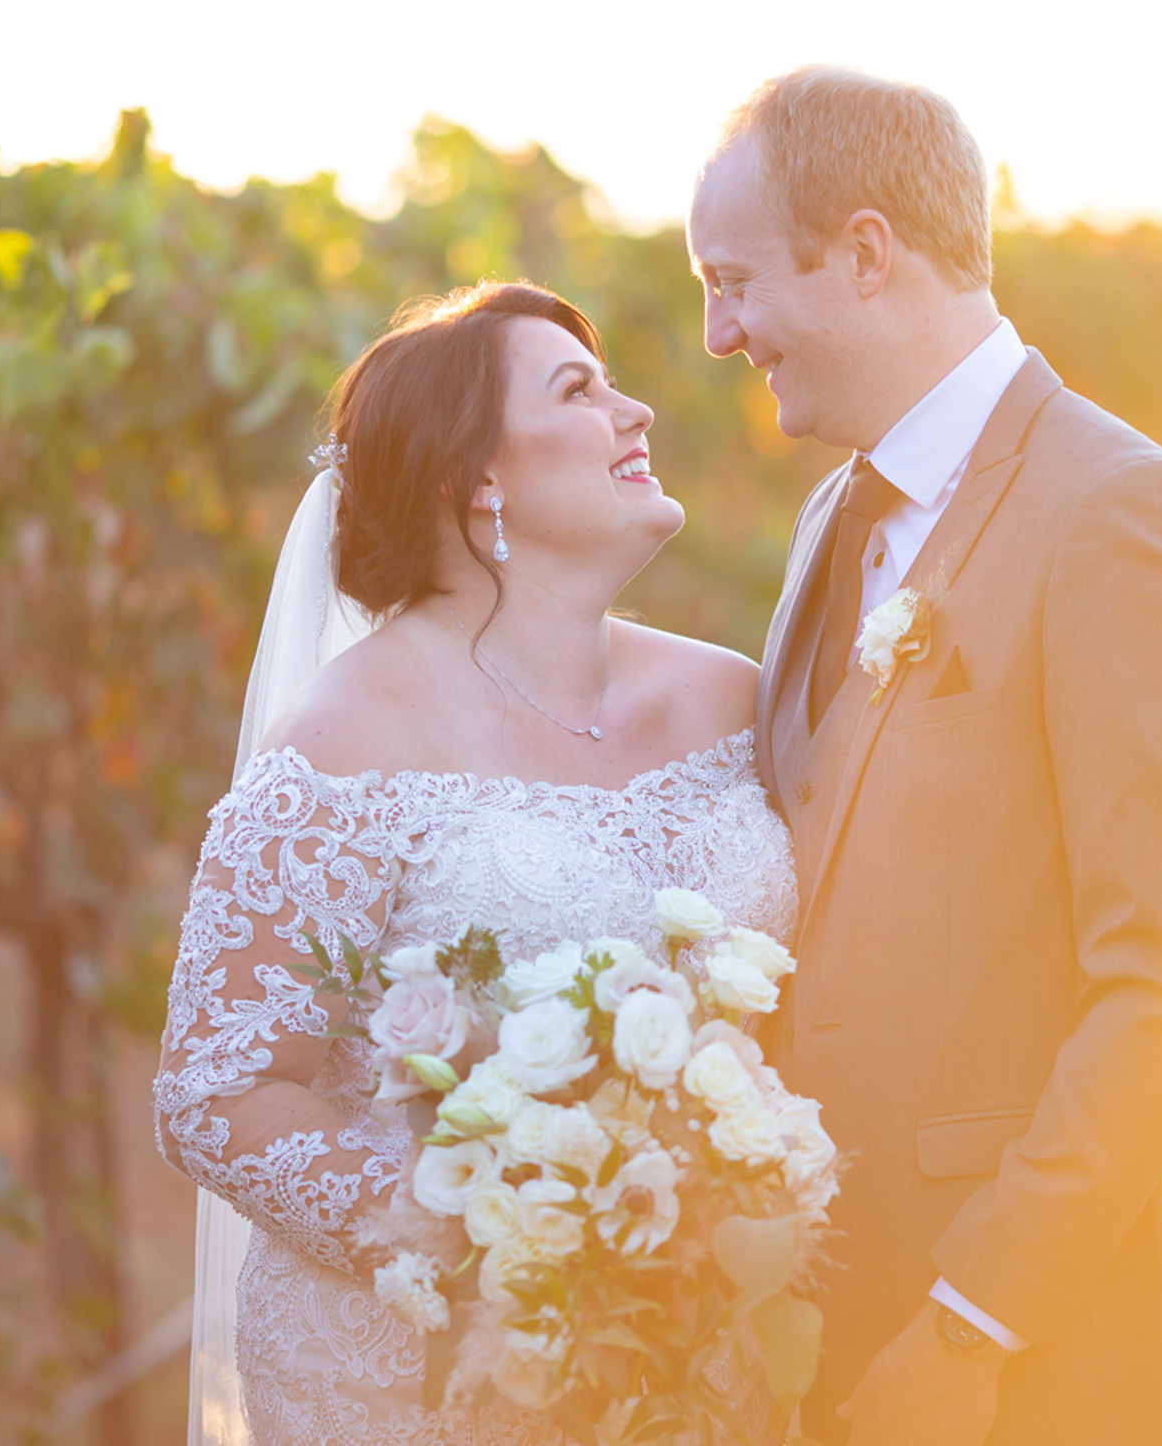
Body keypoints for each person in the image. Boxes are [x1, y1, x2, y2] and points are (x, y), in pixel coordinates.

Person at [687, 67, 1162, 1446]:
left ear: (869, 253)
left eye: (734, 280)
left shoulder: (1120, 513)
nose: (716, 334)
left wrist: (971, 1330)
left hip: (1022, 1365)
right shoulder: (837, 514)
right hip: (820, 1334)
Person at [153, 281, 798, 1446]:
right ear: (475, 479)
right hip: (424, 1382)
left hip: (702, 1358)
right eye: (578, 390)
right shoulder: (342, 748)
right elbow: (218, 1089)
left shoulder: (730, 697)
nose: (638, 409)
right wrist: (499, 1247)